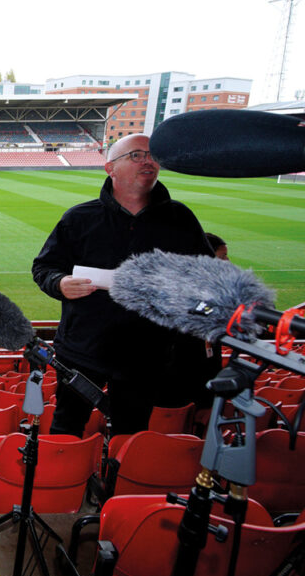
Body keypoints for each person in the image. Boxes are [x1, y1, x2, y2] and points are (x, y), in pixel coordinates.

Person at [32, 134, 215, 438]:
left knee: (131, 435)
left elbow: (207, 275)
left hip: (147, 355)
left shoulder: (180, 219)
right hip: (82, 350)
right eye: (136, 155)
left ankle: (122, 486)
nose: (148, 161)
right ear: (110, 168)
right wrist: (60, 282)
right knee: (66, 428)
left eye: (152, 155)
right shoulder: (79, 218)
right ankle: (61, 482)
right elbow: (44, 267)